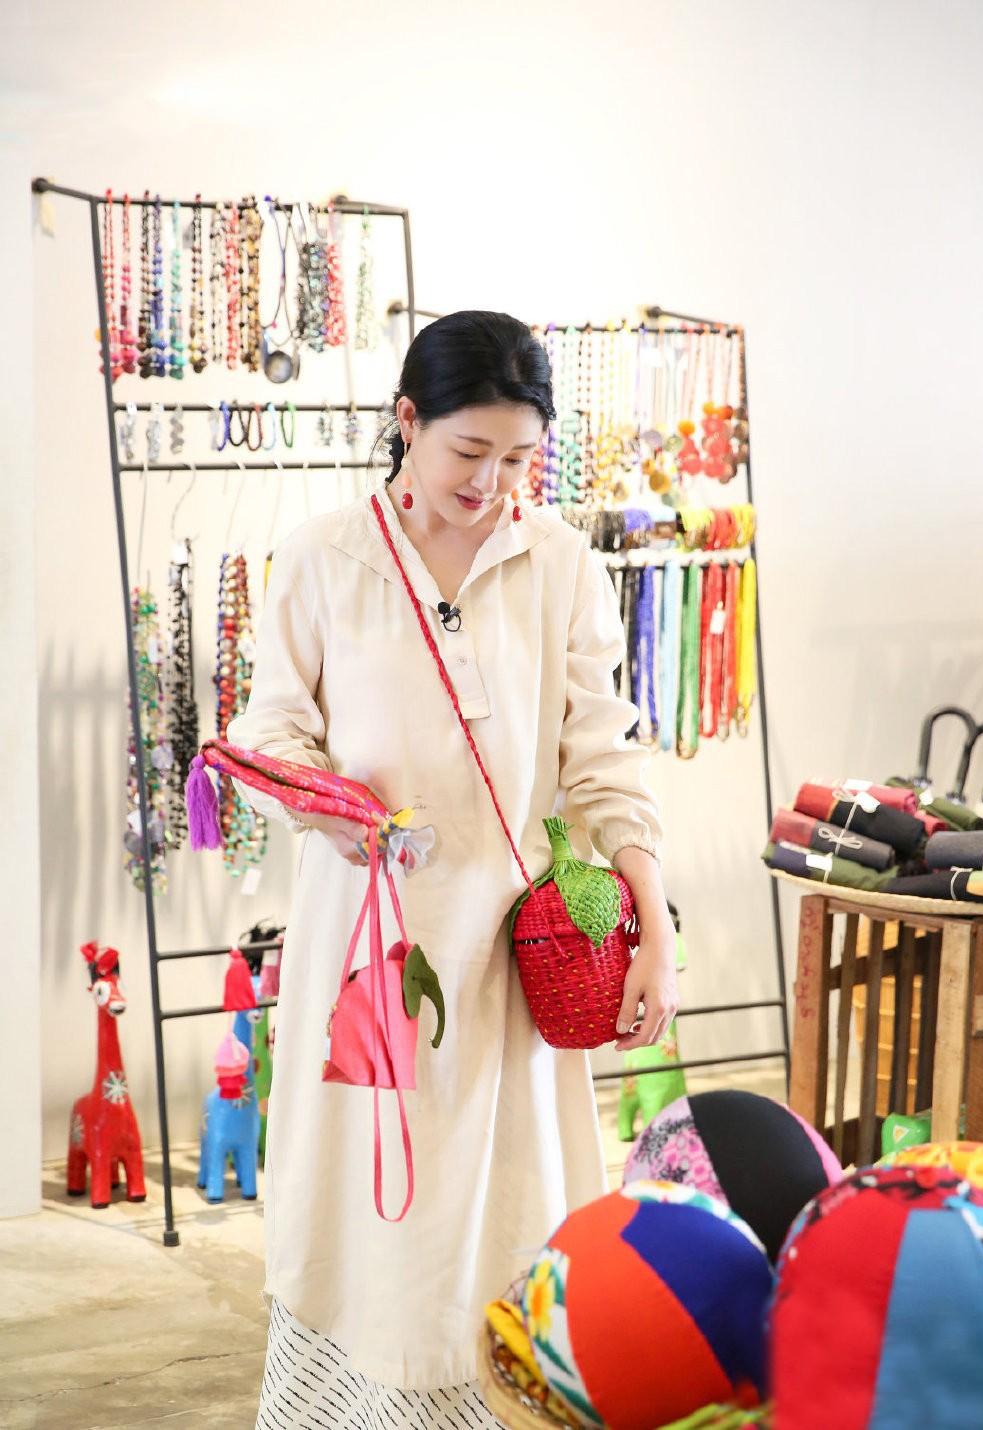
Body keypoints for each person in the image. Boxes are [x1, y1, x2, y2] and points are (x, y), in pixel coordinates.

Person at [228, 311, 676, 1428]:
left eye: (518, 459)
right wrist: (330, 807)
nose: (492, 485)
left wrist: (654, 930)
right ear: (407, 421)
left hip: (514, 959)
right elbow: (269, 734)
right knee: (377, 1214)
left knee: (512, 1201)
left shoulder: (556, 561)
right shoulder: (324, 558)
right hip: (367, 953)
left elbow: (604, 759)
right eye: (469, 452)